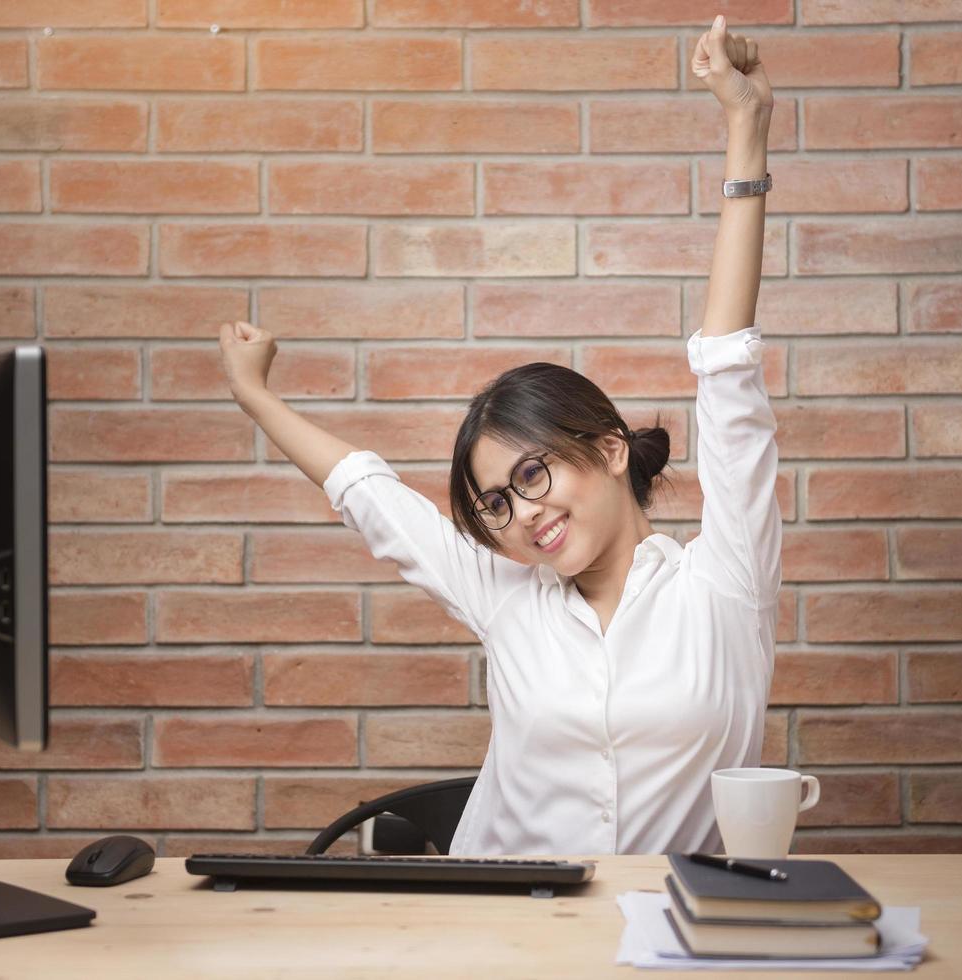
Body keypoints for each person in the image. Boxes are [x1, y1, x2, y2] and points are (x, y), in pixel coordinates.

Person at [217, 14, 778, 856]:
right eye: (494, 502)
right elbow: (371, 496)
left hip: (664, 934)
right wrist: (254, 395)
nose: (518, 514)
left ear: (611, 448)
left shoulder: (724, 583)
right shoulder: (507, 597)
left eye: (532, 475)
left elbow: (727, 372)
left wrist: (745, 127)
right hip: (495, 926)